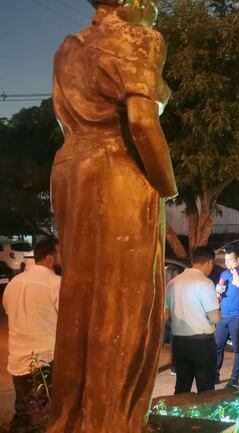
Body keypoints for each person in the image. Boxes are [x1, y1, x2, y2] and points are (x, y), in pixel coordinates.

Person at [48, 2, 177, 430]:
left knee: (80, 297)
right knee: (124, 301)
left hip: (71, 169)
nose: (154, 9)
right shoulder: (140, 38)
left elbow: (66, 120)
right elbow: (141, 121)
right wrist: (167, 186)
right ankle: (110, 419)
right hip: (117, 169)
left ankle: (71, 416)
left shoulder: (68, 48)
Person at [3, 238, 60, 426]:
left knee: (23, 410)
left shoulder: (14, 282)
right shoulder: (57, 284)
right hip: (45, 361)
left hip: (17, 360)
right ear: (50, 259)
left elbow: (8, 309)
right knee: (43, 415)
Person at [165, 247, 221, 395]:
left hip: (179, 342)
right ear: (210, 262)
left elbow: (165, 315)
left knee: (182, 387)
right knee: (206, 389)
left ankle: (179, 410)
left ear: (193, 260)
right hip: (202, 343)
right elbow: (215, 317)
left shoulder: (172, 283)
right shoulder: (205, 283)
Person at [214, 250, 239, 388]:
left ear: (238, 260)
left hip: (237, 315)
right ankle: (215, 374)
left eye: (230, 260)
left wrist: (234, 270)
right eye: (226, 260)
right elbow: (220, 291)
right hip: (223, 315)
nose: (227, 263)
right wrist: (218, 295)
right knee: (217, 345)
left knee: (237, 348)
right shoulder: (224, 274)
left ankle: (234, 378)